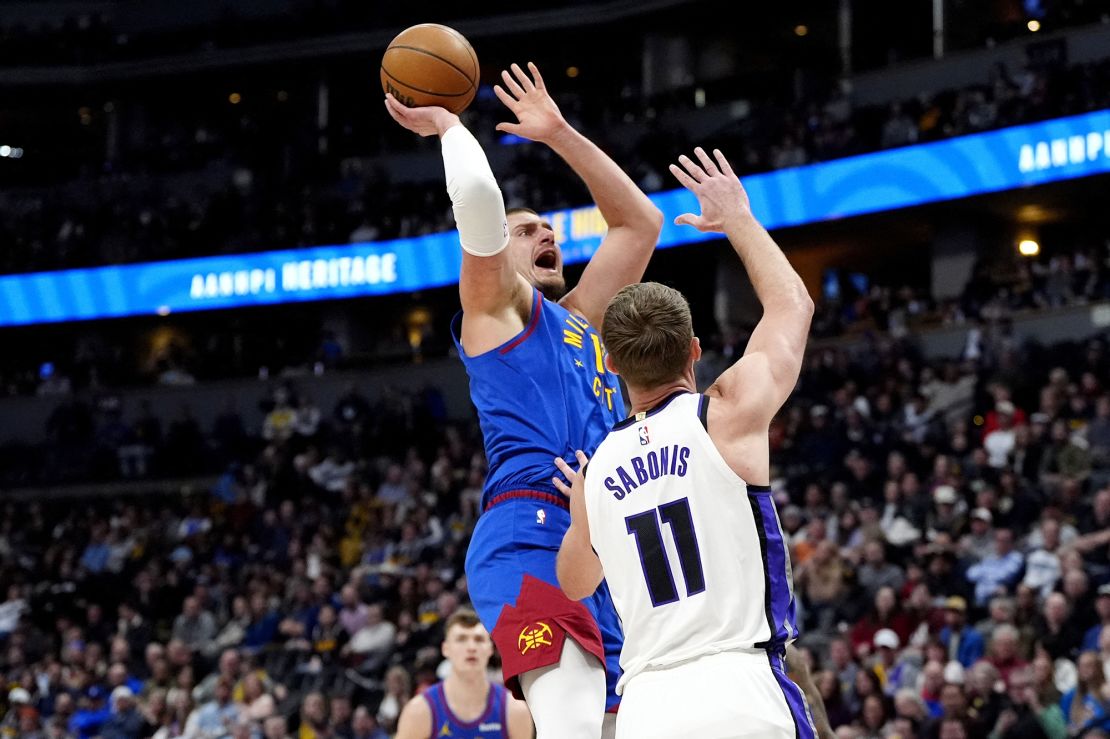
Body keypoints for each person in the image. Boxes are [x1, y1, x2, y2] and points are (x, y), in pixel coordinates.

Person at [384, 61, 663, 738]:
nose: (548, 235)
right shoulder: (494, 312)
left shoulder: (584, 320)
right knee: (569, 720)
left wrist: (560, 132)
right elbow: (478, 201)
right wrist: (451, 128)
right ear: (496, 255)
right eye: (528, 229)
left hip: (601, 542)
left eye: (550, 228)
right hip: (527, 532)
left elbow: (639, 223)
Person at [554, 147, 816, 737]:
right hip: (742, 686)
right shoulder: (726, 414)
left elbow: (574, 584)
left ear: (613, 364)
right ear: (695, 350)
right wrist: (738, 220)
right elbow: (792, 305)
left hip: (648, 704)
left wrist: (582, 517)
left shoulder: (596, 473)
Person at [395, 609, 532, 739]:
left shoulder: (514, 711)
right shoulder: (419, 711)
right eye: (461, 639)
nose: (471, 647)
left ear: (490, 649)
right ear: (446, 649)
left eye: (478, 639)